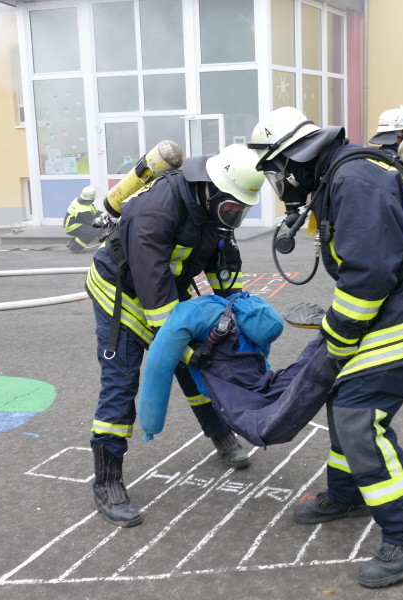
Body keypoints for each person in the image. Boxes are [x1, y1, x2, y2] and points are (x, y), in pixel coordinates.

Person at [248, 107, 403, 588]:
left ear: (292, 161)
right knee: (341, 396)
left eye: (275, 172)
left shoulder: (354, 180)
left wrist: (339, 338)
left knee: (358, 413)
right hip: (398, 304)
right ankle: (346, 493)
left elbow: (368, 273)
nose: (278, 183)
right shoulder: (340, 175)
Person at [83, 143, 265, 528]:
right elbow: (156, 300)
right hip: (122, 293)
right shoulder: (156, 210)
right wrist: (187, 345)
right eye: (232, 208)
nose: (235, 216)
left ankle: (220, 434)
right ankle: (108, 482)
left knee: (202, 365)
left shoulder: (212, 209)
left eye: (240, 210)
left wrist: (230, 315)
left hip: (168, 288)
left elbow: (222, 268)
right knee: (122, 382)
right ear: (213, 190)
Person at [64, 186, 103, 253]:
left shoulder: (80, 201)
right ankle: (75, 247)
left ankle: (72, 244)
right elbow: (92, 222)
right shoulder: (83, 210)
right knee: (92, 231)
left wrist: (103, 214)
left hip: (73, 223)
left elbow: (94, 211)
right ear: (90, 198)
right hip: (72, 226)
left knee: (91, 229)